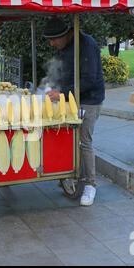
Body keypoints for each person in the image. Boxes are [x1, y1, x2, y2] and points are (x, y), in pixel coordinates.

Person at [43, 17, 105, 207]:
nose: (51, 44)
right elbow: (64, 74)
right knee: (69, 137)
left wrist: (61, 92)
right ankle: (71, 174)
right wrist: (52, 86)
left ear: (65, 34)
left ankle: (90, 185)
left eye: (53, 39)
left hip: (89, 99)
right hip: (71, 97)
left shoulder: (87, 45)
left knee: (84, 141)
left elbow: (89, 80)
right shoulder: (64, 47)